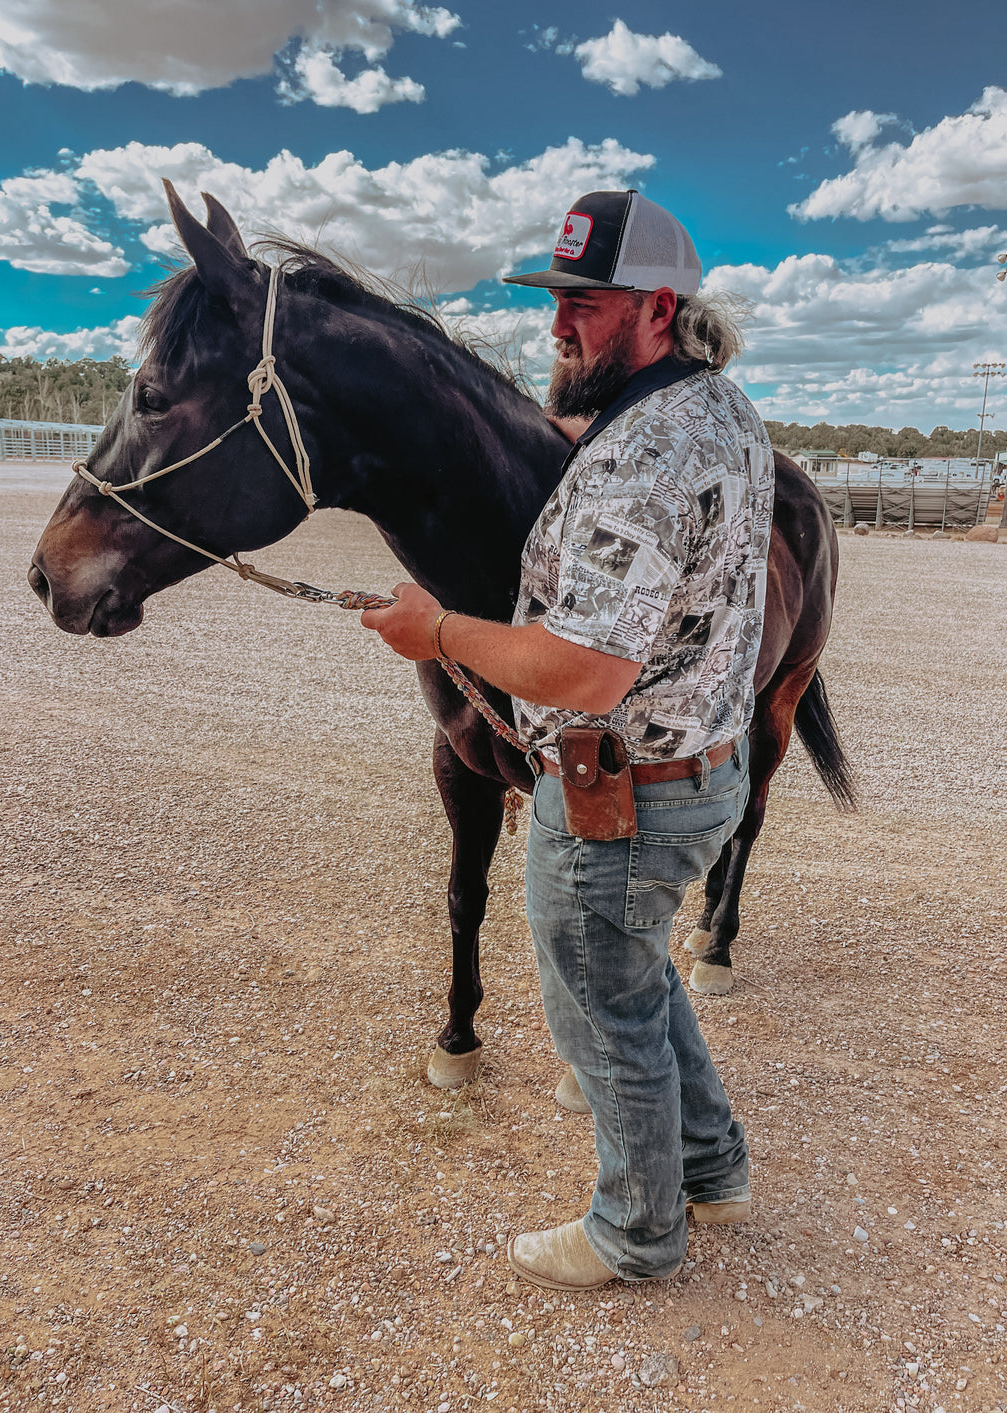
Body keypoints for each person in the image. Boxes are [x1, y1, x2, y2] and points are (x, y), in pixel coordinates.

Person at [361, 189, 774, 1292]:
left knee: (601, 1005)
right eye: (553, 303)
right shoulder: (712, 407)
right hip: (700, 771)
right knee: (638, 978)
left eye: (580, 307)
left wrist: (434, 628)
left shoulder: (640, 458)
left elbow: (587, 671)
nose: (557, 328)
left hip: (618, 795)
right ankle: (713, 1168)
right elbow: (626, 460)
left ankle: (636, 1232)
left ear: (652, 307)